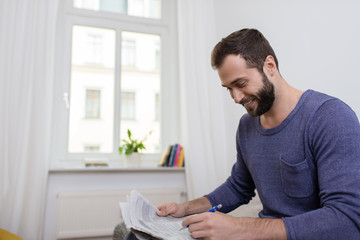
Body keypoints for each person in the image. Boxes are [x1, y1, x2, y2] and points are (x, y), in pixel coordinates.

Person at [155, 28, 360, 240]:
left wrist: (239, 228)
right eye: (228, 88)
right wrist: (185, 209)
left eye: (241, 84)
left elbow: (347, 220)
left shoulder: (330, 117)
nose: (236, 98)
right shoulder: (247, 125)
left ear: (269, 66)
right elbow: (238, 188)